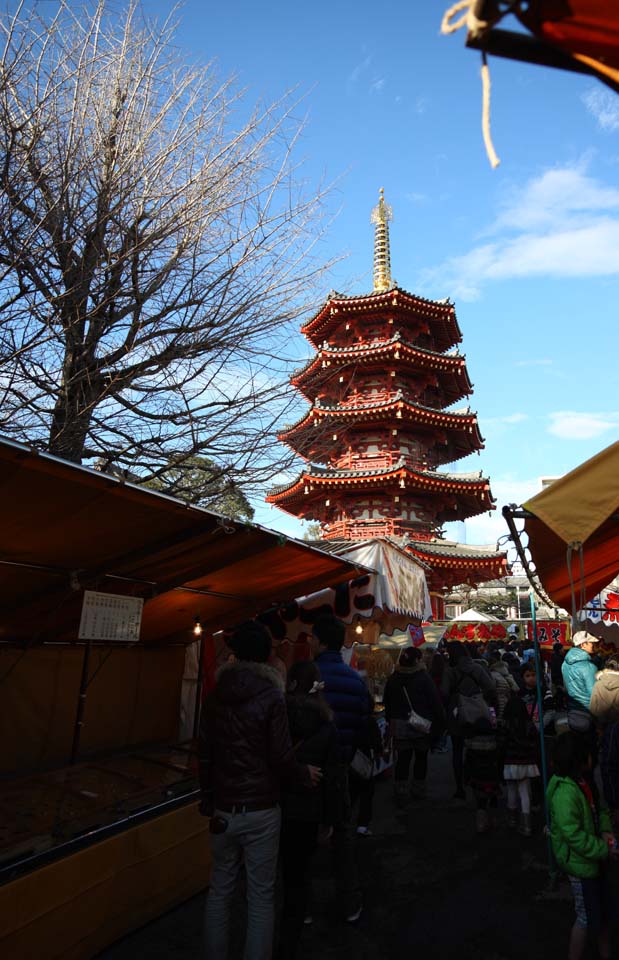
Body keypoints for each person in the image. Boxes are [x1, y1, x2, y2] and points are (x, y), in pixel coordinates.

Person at [199, 620, 320, 960]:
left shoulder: (214, 697)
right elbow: (280, 756)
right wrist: (302, 775)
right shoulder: (271, 696)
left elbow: (204, 754)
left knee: (220, 890)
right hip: (262, 809)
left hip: (223, 808)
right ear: (267, 655)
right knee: (260, 896)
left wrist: (208, 799)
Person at [278, 660, 339, 960]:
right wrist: (329, 818)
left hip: (276, 806)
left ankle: (278, 926)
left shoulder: (278, 719)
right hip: (309, 808)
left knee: (282, 870)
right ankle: (295, 927)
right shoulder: (325, 724)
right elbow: (333, 777)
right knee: (302, 871)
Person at [313, 614, 369, 923]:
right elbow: (363, 725)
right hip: (341, 769)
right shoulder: (354, 680)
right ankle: (350, 902)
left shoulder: (306, 676)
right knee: (342, 838)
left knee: (304, 839)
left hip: (307, 771)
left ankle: (303, 906)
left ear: (319, 641)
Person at [546, 732, 617, 960]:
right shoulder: (565, 793)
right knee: (585, 916)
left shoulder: (585, 781)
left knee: (603, 912)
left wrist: (606, 831)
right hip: (580, 865)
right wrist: (603, 848)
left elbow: (602, 809)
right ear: (580, 759)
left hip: (595, 857)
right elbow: (573, 835)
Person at [383, 646, 445, 805]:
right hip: (421, 724)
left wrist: (391, 720)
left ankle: (400, 790)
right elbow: (434, 701)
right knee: (421, 758)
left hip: (399, 724)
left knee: (403, 759)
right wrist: (440, 722)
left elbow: (387, 702)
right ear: (417, 660)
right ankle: (418, 789)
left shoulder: (393, 678)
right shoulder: (423, 677)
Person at [446, 643, 497, 801]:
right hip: (476, 713)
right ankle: (477, 782)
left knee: (457, 751)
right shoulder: (477, 668)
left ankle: (459, 787)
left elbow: (443, 692)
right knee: (477, 749)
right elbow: (490, 687)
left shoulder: (450, 671)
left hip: (456, 714)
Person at [502, 693, 540, 836]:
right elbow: (535, 741)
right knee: (524, 792)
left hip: (510, 761)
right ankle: (527, 824)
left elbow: (502, 743)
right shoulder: (529, 725)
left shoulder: (505, 725)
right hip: (526, 761)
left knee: (511, 791)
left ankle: (512, 819)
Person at [589, 657, 619, 832]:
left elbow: (593, 708)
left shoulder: (599, 684)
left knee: (608, 766)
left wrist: (601, 725)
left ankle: (612, 806)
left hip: (606, 730)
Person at [562, 630, 601, 717]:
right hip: (588, 712)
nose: (593, 645)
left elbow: (566, 687)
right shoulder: (589, 667)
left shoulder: (565, 663)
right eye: (591, 643)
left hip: (572, 709)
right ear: (583, 645)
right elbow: (594, 695)